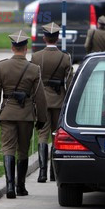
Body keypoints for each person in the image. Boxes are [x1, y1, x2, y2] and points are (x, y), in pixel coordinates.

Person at [0, 30, 47, 198]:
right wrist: (42, 118)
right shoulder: (34, 69)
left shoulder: (1, 66)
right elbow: (40, 97)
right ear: (25, 48)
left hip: (7, 114)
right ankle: (20, 186)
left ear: (12, 47)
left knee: (8, 148)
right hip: (26, 115)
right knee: (23, 150)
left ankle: (9, 187)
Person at [31, 22, 73, 183]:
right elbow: (69, 83)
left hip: (42, 101)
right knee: (56, 136)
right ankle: (54, 173)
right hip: (59, 100)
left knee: (42, 135)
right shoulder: (65, 57)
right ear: (57, 37)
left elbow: (33, 81)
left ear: (44, 38)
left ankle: (42, 173)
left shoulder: (36, 57)